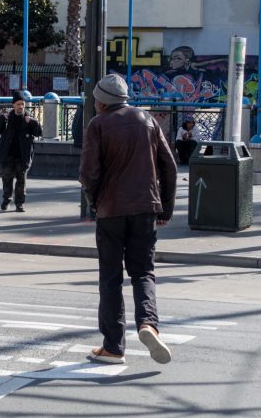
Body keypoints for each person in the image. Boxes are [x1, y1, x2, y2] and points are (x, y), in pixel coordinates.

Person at [80, 74, 177, 366]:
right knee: (143, 272)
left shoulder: (97, 125)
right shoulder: (146, 120)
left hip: (111, 212)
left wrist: (93, 204)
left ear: (100, 101)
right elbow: (169, 168)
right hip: (145, 208)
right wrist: (165, 209)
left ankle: (113, 347)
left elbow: (89, 174)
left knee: (110, 279)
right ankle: (148, 324)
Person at [0, 90, 42, 212]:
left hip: (22, 155)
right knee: (7, 179)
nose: (21, 106)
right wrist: (1, 118)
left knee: (21, 181)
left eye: (22, 104)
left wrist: (34, 122)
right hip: (8, 154)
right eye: (18, 104)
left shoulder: (28, 119)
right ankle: (6, 200)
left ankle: (19, 203)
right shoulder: (7, 118)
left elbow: (38, 133)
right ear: (13, 105)